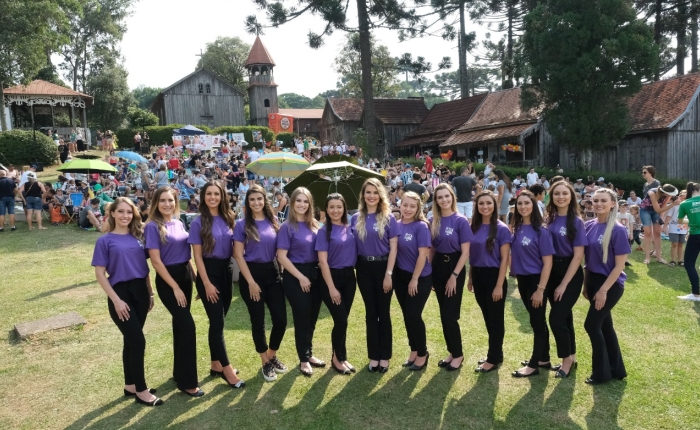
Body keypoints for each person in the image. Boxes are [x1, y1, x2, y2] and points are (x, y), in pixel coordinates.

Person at [92, 197, 163, 406]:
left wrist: (150, 293)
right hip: (120, 294)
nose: (125, 216)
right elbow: (99, 274)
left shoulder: (138, 236)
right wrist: (116, 300)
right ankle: (141, 391)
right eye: (121, 212)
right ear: (112, 213)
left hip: (140, 291)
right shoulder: (104, 241)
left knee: (131, 340)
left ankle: (130, 385)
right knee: (138, 341)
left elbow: (145, 267)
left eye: (129, 212)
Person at [143, 187, 203, 397]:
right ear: (156, 203)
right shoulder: (152, 227)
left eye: (170, 200)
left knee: (179, 326)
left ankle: (179, 372)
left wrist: (196, 278)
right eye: (162, 201)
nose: (167, 204)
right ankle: (188, 382)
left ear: (176, 202)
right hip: (169, 280)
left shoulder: (179, 222)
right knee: (188, 327)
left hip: (186, 275)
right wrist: (175, 287)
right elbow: (156, 262)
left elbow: (186, 255)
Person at [188, 182, 245, 389]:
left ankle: (215, 364)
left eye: (216, 194)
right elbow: (197, 256)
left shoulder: (229, 218)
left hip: (226, 272)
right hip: (209, 274)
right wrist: (205, 284)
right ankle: (227, 370)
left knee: (218, 321)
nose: (213, 197)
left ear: (222, 196)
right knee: (218, 323)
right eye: (209, 194)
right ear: (203, 197)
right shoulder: (198, 222)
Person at [233, 184, 288, 382]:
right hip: (252, 274)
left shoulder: (273, 220)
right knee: (258, 322)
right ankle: (264, 361)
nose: (256, 202)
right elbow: (238, 255)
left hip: (273, 273)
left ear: (265, 200)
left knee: (281, 319)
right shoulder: (241, 225)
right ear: (247, 202)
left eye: (259, 199)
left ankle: (271, 355)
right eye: (252, 199)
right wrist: (250, 282)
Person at [583, 188, 630, 384]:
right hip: (593, 280)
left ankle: (601, 373)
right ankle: (616, 369)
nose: (599, 204)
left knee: (592, 325)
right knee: (605, 326)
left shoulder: (618, 229)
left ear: (613, 203)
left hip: (609, 284)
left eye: (603, 200)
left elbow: (619, 266)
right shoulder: (588, 225)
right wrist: (587, 285)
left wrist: (603, 291)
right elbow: (587, 259)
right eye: (595, 201)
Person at [276, 188, 326, 377]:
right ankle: (303, 359)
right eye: (299, 201)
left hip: (315, 274)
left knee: (312, 318)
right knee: (302, 317)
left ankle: (309, 353)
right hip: (296, 276)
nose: (302, 205)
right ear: (292, 203)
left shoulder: (315, 225)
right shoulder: (287, 227)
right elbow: (281, 257)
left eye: (306, 201)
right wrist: (301, 277)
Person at [351, 178, 398, 373]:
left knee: (383, 313)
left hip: (383, 267)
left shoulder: (388, 217)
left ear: (380, 195)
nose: (371, 196)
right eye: (367, 192)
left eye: (375, 192)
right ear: (362, 195)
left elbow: (394, 247)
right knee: (371, 313)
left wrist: (388, 274)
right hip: (363, 269)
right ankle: (374, 355)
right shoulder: (355, 218)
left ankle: (385, 356)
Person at [509, 190, 554, 377]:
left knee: (537, 322)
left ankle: (534, 364)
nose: (523, 207)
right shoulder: (517, 228)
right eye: (520, 204)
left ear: (533, 205)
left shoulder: (541, 231)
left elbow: (548, 262)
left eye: (527, 203)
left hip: (537, 281)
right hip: (523, 279)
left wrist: (540, 290)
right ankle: (544, 358)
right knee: (537, 320)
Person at [544, 180, 586, 378]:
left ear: (571, 197)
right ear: (551, 197)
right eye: (556, 194)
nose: (561, 197)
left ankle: (566, 361)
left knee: (556, 318)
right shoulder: (549, 218)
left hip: (570, 273)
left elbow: (578, 256)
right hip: (551, 271)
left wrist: (563, 284)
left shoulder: (576, 221)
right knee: (565, 317)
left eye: (565, 193)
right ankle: (572, 355)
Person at [429, 184, 472, 371]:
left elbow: (466, 252)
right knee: (443, 314)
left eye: (447, 196)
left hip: (454, 266)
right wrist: (430, 272)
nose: (444, 200)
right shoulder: (433, 220)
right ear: (436, 200)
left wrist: (454, 275)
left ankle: (459, 354)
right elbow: (431, 249)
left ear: (452, 197)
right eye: (440, 197)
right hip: (438, 266)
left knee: (450, 315)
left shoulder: (460, 221)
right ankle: (452, 352)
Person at [469, 191, 512, 373]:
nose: (485, 207)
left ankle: (492, 358)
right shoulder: (473, 227)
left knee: (495, 320)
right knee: (488, 318)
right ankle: (497, 353)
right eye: (481, 204)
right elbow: (472, 255)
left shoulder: (501, 228)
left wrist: (499, 285)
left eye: (488, 203)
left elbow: (505, 260)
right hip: (478, 276)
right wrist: (471, 278)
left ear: (494, 205)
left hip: (494, 276)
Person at [316, 193, 358, 375]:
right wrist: (332, 288)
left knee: (344, 321)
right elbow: (322, 262)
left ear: (344, 208)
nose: (335, 210)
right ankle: (336, 358)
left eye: (339, 207)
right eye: (331, 207)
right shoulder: (323, 231)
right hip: (330, 278)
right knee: (340, 320)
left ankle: (342, 356)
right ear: (326, 209)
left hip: (349, 278)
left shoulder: (351, 228)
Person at [393, 190, 432, 371]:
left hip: (419, 277)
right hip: (400, 277)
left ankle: (423, 353)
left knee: (414, 315)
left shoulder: (421, 226)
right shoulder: (396, 224)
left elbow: (423, 255)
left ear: (418, 208)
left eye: (412, 206)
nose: (408, 209)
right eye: (405, 205)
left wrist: (415, 279)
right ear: (400, 205)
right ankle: (414, 350)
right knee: (407, 315)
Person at [640, 182, 678, 264]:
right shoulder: (652, 193)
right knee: (648, 233)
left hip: (656, 212)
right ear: (665, 192)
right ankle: (647, 258)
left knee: (657, 233)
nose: (670, 196)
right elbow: (658, 209)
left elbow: (663, 206)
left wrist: (661, 217)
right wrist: (673, 204)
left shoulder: (668, 195)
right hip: (645, 211)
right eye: (669, 194)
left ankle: (659, 257)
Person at [678, 182, 700, 301]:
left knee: (689, 264)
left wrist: (691, 220)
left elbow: (680, 221)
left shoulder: (685, 204)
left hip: (695, 235)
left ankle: (696, 294)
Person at [665, 191, 688, 268]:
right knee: (674, 244)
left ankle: (680, 260)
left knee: (681, 244)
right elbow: (668, 216)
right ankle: (673, 260)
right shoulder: (674, 205)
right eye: (682, 196)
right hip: (674, 227)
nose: (684, 198)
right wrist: (665, 226)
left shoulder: (688, 205)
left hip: (683, 228)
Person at [616, 201, 634, 266]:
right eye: (623, 207)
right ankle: (618, 260)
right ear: (619, 207)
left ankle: (625, 260)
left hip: (627, 233)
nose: (624, 208)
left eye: (626, 207)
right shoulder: (616, 215)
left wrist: (631, 233)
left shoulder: (629, 215)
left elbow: (631, 224)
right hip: (619, 233)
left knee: (627, 247)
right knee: (618, 246)